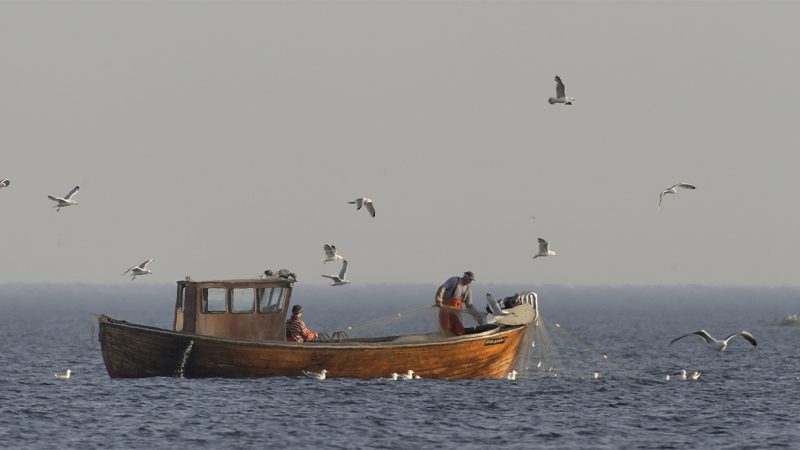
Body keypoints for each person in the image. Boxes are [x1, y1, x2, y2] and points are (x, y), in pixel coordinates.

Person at [434, 271, 485, 336]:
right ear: (465, 276)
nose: (470, 281)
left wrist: (478, 317)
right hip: (446, 310)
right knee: (446, 326)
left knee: (458, 328)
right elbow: (442, 288)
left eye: (471, 280)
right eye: (469, 279)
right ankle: (446, 341)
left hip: (456, 312)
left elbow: (469, 305)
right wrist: (439, 300)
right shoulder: (454, 280)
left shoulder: (467, 289)